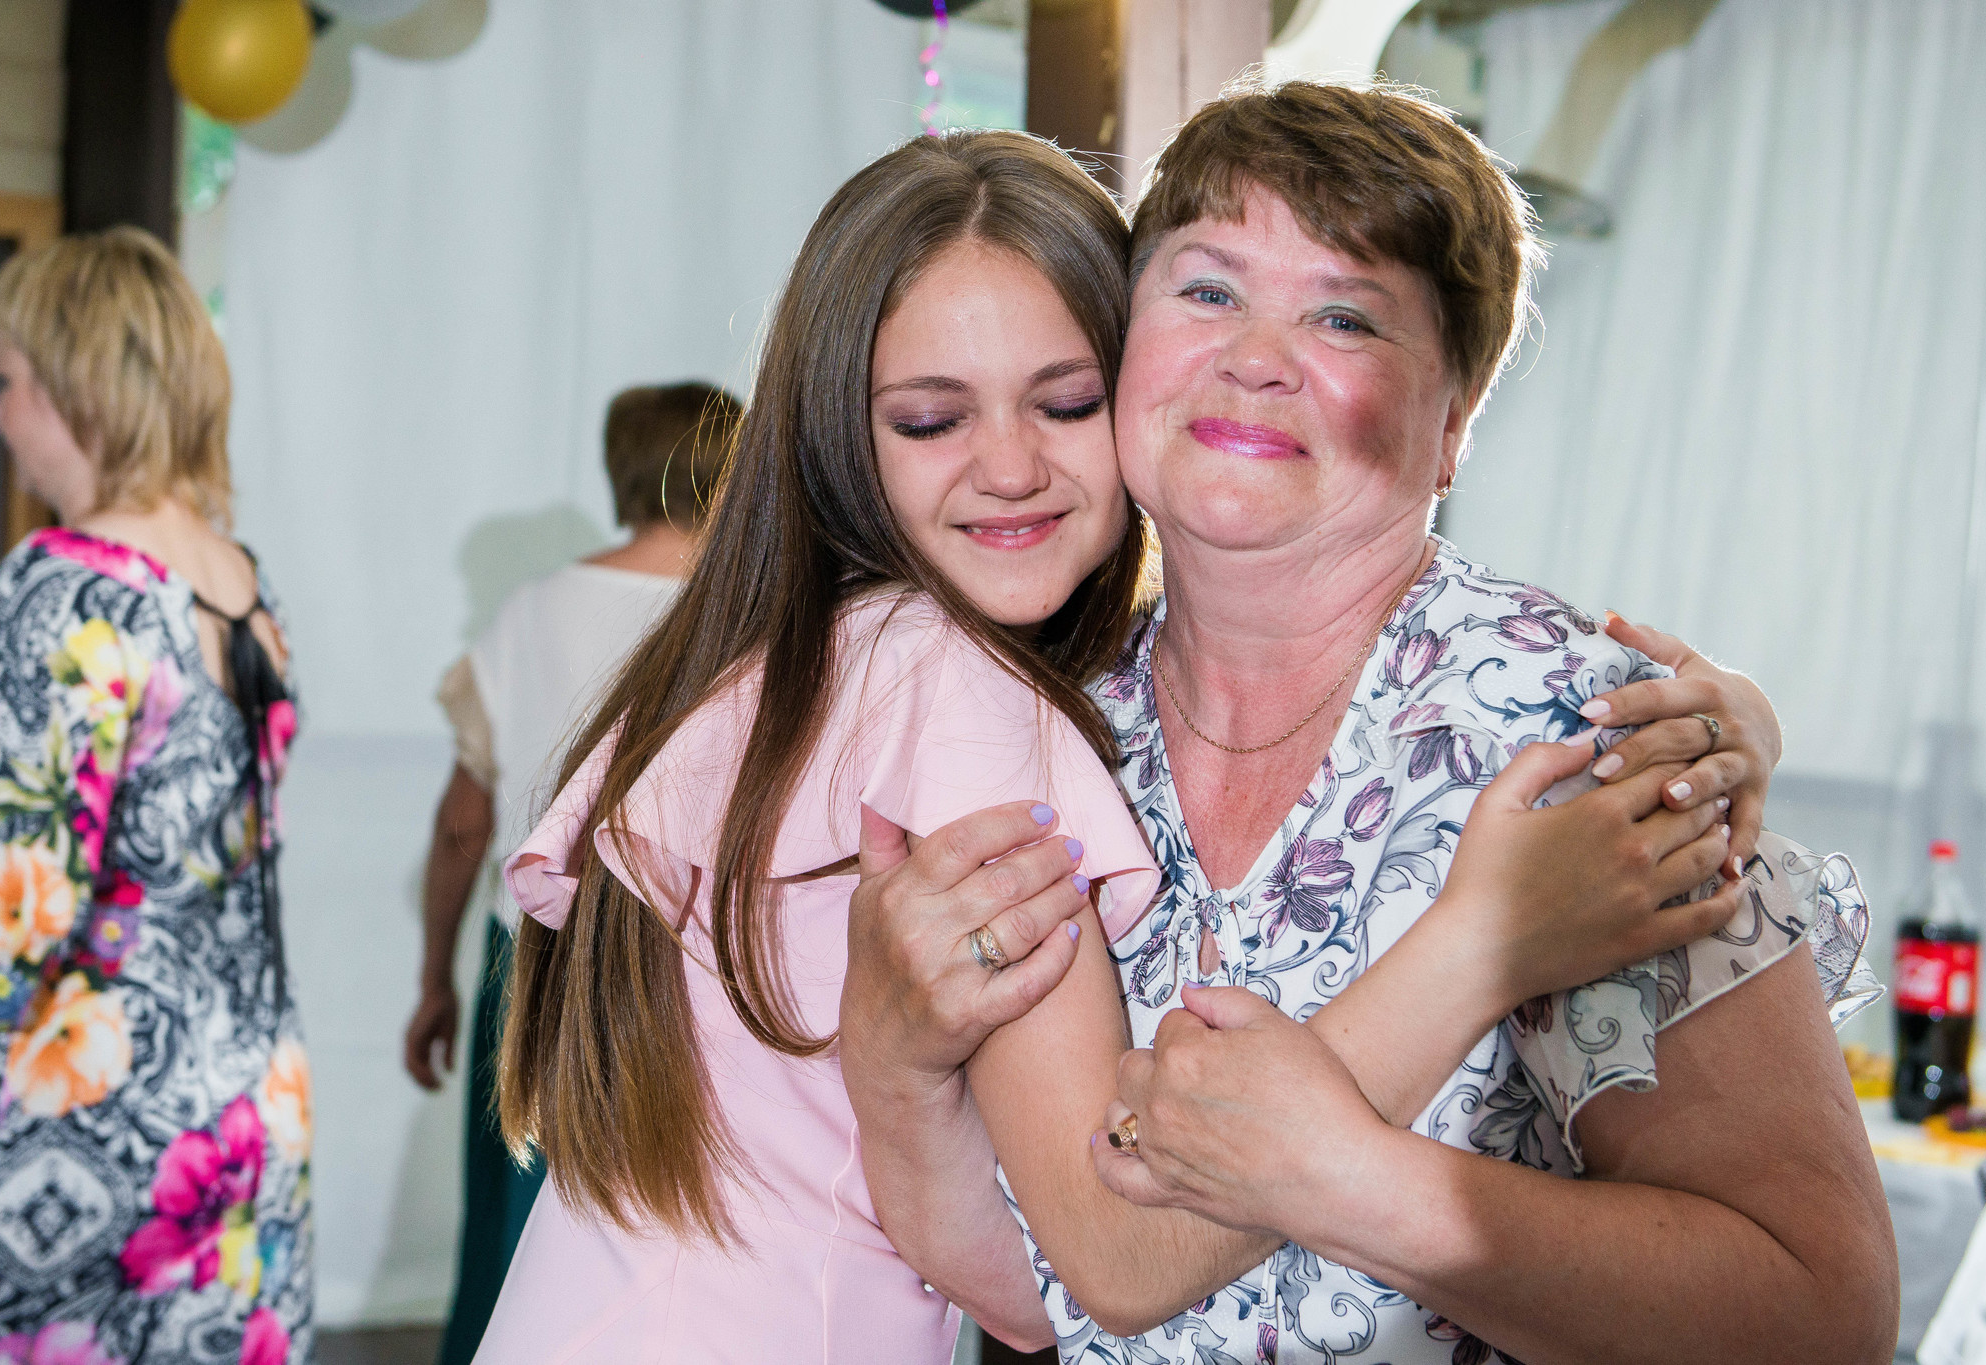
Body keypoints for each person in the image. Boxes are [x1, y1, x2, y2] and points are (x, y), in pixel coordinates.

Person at [476, 130, 1766, 1365]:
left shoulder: (787, 654)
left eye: (1066, 401)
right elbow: (1122, 1256)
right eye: (930, 420)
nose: (1009, 468)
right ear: (834, 433)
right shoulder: (942, 683)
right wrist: (1487, 939)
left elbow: (1037, 1302)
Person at [842, 84, 1894, 1363]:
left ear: (1452, 426)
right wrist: (895, 1071)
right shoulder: (1050, 718)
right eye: (1209, 290)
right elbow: (1052, 1282)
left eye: (1343, 315)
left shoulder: (1578, 734)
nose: (1256, 355)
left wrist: (1350, 1178)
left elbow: (1816, 1314)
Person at [0, 228, 312, 1365]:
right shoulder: (241, 582)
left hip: (72, 1123)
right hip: (236, 1117)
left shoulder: (68, 588)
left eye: (10, 383)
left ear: (78, 389)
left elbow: (21, 914)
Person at [404, 380, 740, 1365]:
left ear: (619, 467)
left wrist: (434, 979)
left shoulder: (531, 613)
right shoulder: (757, 616)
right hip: (703, 978)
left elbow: (465, 826)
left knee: (520, 1239)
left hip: (537, 969)